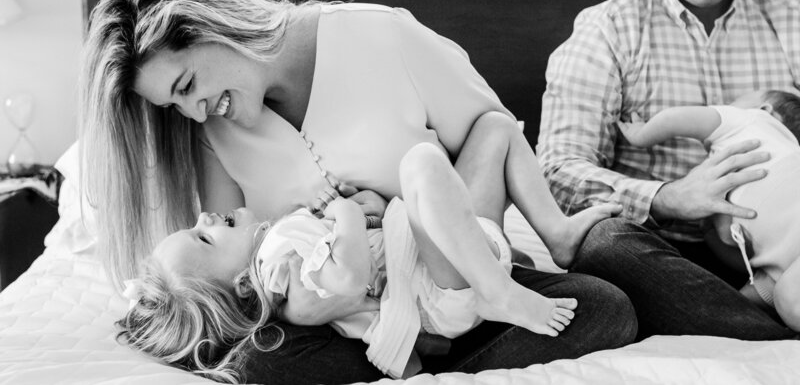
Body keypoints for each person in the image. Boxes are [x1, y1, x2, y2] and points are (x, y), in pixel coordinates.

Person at [81, 0, 636, 384]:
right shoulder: (213, 135)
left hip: (450, 258)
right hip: (342, 322)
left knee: (610, 288)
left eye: (186, 88)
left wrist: (383, 217)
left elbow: (493, 139)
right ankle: (422, 347)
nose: (195, 112)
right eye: (174, 107)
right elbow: (228, 280)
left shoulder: (381, 37)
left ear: (211, 27)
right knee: (261, 359)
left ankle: (471, 317)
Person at [538, 0, 799, 340]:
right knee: (603, 243)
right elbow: (556, 173)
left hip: (782, 248)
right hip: (667, 258)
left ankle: (766, 314)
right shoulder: (607, 29)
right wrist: (668, 198)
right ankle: (776, 329)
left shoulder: (790, 21)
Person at [120, 120, 590, 382]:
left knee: (496, 129)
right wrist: (344, 212)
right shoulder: (280, 265)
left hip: (442, 267)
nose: (204, 217)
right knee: (422, 163)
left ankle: (556, 237)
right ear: (243, 282)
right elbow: (348, 278)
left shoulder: (284, 251)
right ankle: (498, 290)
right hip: (442, 287)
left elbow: (370, 249)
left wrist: (370, 209)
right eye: (202, 237)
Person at [617, 89, 800, 331]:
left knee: (789, 298)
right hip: (784, 265)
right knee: (785, 298)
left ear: (766, 110)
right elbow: (757, 279)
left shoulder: (753, 122)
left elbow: (676, 119)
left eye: (733, 103)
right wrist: (711, 233)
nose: (723, 107)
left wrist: (642, 135)